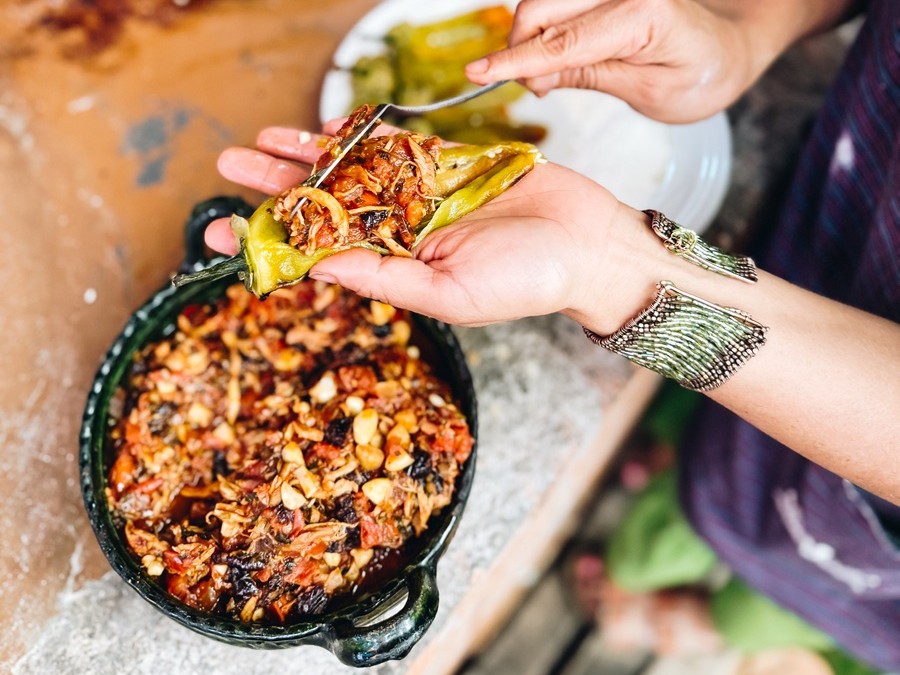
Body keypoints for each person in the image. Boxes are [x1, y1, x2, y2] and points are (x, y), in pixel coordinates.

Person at [204, 0, 899, 668]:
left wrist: (614, 269)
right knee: (710, 476)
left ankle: (677, 621)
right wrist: (748, 29)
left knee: (770, 563)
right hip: (834, 214)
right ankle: (681, 486)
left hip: (870, 502)